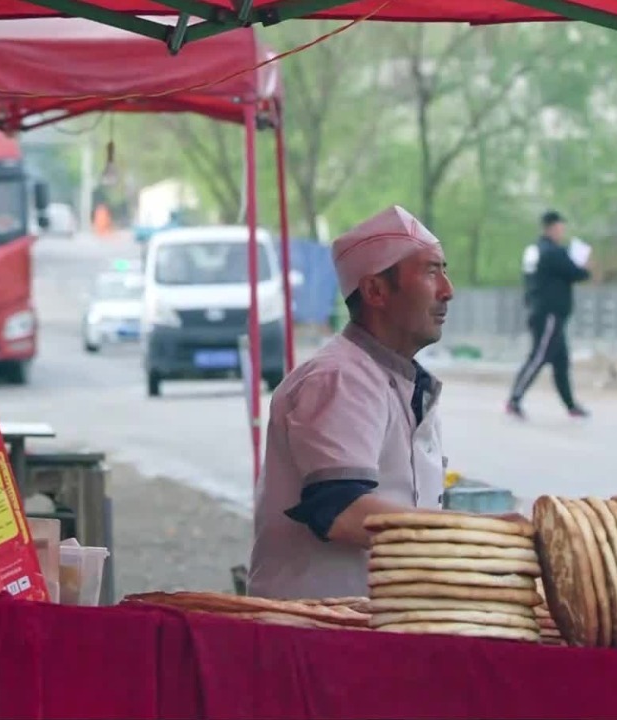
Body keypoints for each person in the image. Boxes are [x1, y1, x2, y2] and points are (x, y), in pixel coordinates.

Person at [249, 205, 515, 599]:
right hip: (320, 633)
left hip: (373, 627)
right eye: (430, 272)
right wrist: (477, 536)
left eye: (444, 270)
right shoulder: (339, 379)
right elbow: (342, 511)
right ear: (375, 291)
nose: (448, 289)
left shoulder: (398, 379)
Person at [506, 210, 591, 420]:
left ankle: (571, 405)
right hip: (549, 314)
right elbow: (578, 273)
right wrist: (582, 264)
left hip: (541, 310)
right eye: (561, 227)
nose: (562, 231)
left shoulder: (534, 250)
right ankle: (514, 399)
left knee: (561, 361)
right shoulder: (553, 252)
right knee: (539, 356)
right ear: (553, 227)